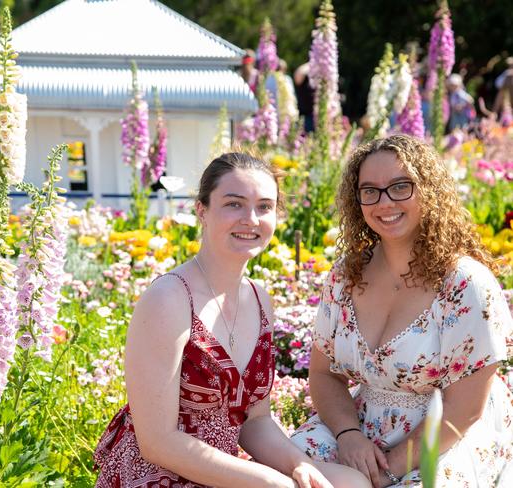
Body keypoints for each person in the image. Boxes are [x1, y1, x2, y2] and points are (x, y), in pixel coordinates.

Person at [94, 151, 371, 487]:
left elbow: (255, 421)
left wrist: (299, 465)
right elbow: (158, 443)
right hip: (159, 473)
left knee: (350, 482)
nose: (251, 219)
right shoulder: (169, 299)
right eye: (234, 204)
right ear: (202, 210)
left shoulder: (258, 299)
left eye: (264, 207)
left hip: (224, 470)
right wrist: (268, 481)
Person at [290, 134, 513, 488]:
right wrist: (349, 435)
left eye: (400, 186)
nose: (384, 202)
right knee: (288, 475)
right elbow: (324, 374)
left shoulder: (464, 284)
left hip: (443, 436)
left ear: (428, 190)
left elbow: (464, 411)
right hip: (358, 426)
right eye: (370, 191)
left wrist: (388, 469)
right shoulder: (347, 275)